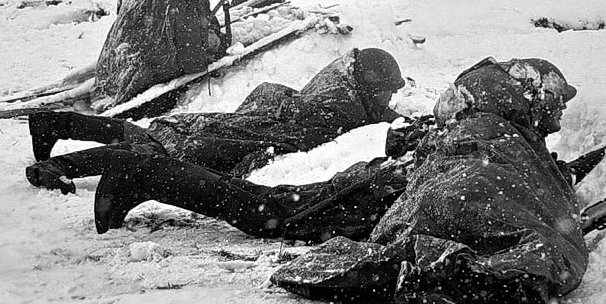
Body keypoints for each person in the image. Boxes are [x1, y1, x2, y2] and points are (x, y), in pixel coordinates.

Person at [70, 56, 583, 304]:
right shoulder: (498, 134)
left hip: (385, 184)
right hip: (381, 190)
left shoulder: (484, 122)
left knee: (270, 209)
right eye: (553, 106)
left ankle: (144, 173)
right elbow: (481, 187)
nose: (557, 119)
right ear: (531, 99)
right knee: (268, 212)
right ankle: (142, 172)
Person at [26, 48, 406, 195]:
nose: (389, 98)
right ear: (369, 86)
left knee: (155, 138)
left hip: (237, 129)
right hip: (237, 140)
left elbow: (366, 113)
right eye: (386, 91)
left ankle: (57, 125)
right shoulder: (338, 106)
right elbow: (352, 123)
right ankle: (59, 166)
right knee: (153, 152)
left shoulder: (339, 83)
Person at [91, 0, 229, 112]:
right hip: (135, 81)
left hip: (110, 69)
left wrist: (208, 31)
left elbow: (201, 16)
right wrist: (212, 46)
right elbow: (191, 60)